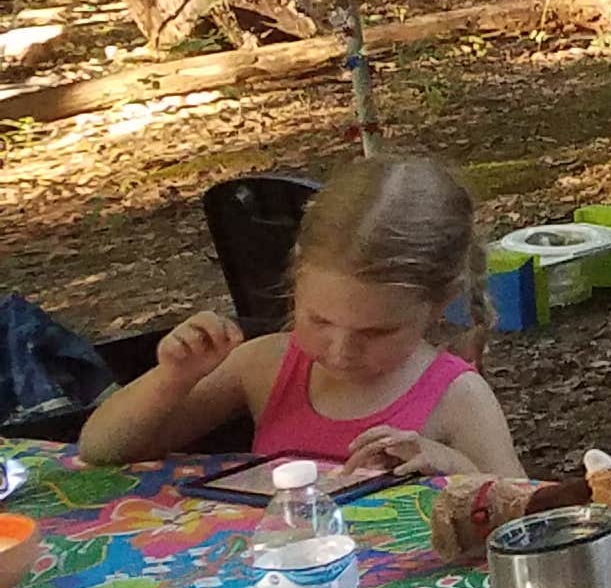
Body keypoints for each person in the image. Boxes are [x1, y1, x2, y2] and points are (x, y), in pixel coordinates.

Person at [78, 152, 522, 482]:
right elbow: (101, 448)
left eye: (377, 331)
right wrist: (173, 378)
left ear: (440, 303)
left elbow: (527, 514)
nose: (341, 349)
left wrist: (453, 466)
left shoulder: (456, 396)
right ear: (295, 282)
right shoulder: (267, 367)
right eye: (319, 320)